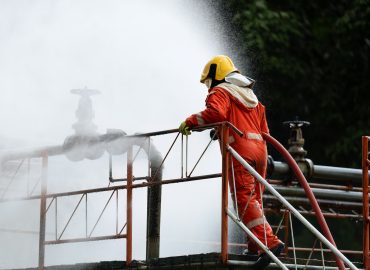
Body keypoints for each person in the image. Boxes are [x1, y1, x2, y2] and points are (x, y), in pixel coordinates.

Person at [179, 55, 284, 269]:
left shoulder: (221, 91)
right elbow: (262, 130)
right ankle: (255, 247)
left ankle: (270, 243)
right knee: (254, 200)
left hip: (240, 151)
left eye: (208, 81)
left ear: (216, 76)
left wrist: (189, 122)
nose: (208, 87)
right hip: (261, 153)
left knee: (244, 199)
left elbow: (216, 112)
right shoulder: (250, 96)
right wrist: (220, 130)